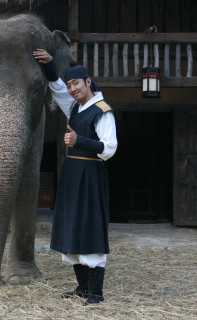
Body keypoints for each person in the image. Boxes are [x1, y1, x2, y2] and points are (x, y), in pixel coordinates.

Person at [33, 49, 117, 305]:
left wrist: (79, 141)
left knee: (89, 227)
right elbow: (57, 88)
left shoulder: (103, 110)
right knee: (72, 226)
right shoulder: (75, 107)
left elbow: (109, 148)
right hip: (72, 173)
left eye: (76, 83)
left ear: (88, 82)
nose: (71, 89)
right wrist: (50, 66)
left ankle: (96, 294)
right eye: (70, 85)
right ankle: (82, 287)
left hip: (91, 174)